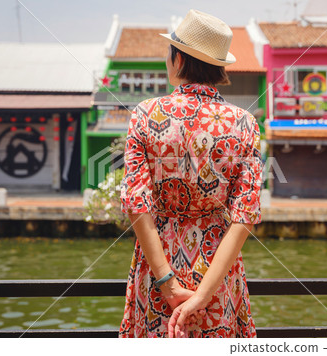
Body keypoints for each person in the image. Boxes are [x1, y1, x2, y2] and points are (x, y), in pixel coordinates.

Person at [119, 9, 262, 338]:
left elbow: (136, 205)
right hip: (216, 268)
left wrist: (168, 285)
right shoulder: (244, 123)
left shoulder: (146, 114)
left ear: (179, 60)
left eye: (170, 53)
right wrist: (202, 295)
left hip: (158, 266)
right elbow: (244, 217)